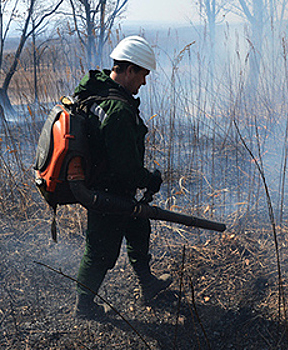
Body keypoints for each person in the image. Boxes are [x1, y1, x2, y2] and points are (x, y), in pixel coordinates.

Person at [72, 36, 172, 319]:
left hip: (114, 189)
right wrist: (149, 179)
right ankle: (84, 306)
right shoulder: (118, 110)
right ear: (129, 70)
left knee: (139, 229)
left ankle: (148, 284)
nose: (144, 82)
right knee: (100, 252)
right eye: (143, 75)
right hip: (108, 193)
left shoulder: (99, 89)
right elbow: (125, 168)